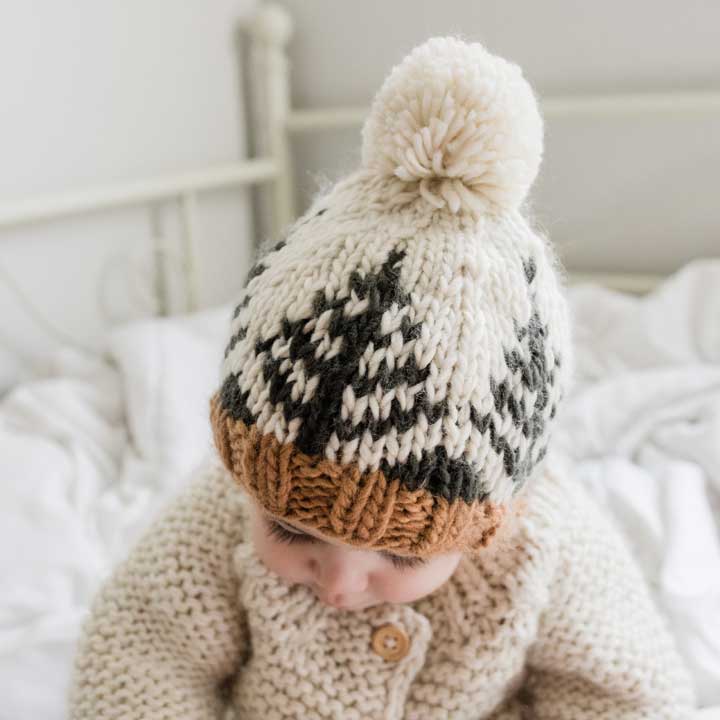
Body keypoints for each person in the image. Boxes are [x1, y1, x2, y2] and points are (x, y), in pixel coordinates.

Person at [68, 36, 696, 719]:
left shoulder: (542, 550)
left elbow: (626, 695)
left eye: (398, 554)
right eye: (289, 530)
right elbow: (135, 656)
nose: (339, 584)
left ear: (492, 521)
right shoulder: (223, 516)